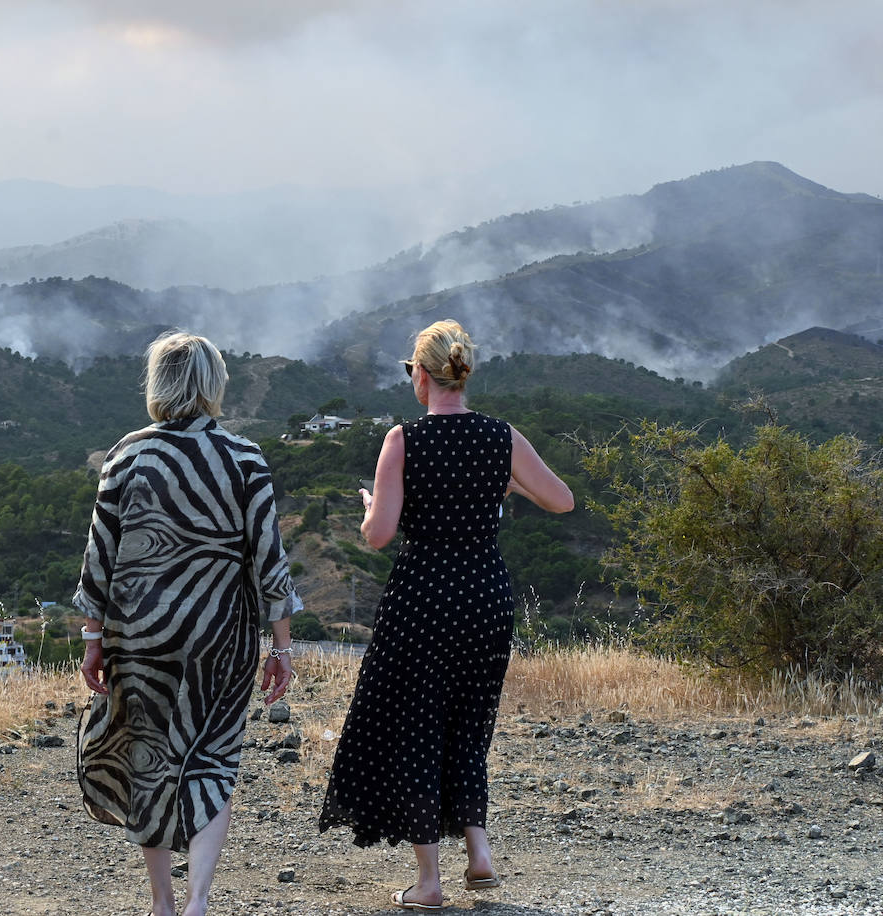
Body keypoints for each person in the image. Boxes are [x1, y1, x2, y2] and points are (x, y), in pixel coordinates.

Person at [318, 319, 574, 911]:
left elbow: (379, 536)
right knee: (468, 720)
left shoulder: (403, 440)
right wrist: (505, 486)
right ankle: (478, 850)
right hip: (485, 593)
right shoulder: (500, 437)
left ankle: (429, 883)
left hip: (423, 595)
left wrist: (371, 506)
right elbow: (561, 499)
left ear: (422, 377)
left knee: (417, 726)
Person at [74, 330, 302, 916]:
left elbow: (99, 556)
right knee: (212, 758)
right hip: (220, 635)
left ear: (158, 385)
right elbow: (267, 560)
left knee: (150, 756)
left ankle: (163, 905)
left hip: (140, 631)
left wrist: (93, 640)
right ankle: (200, 900)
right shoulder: (245, 458)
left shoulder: (127, 454)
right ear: (213, 385)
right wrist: (282, 648)